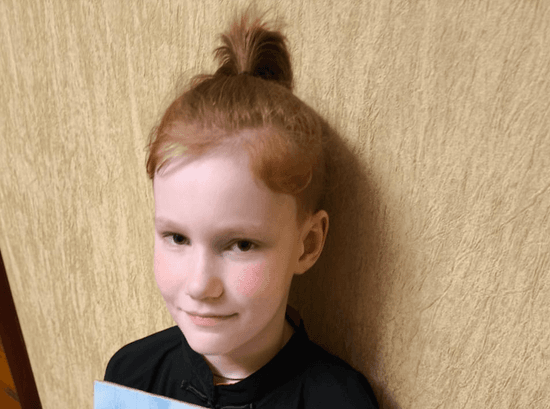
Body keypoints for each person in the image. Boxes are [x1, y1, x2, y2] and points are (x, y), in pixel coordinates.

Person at [104, 12, 379, 409]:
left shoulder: (340, 401)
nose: (200, 285)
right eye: (177, 237)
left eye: (242, 245)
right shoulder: (132, 374)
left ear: (307, 244)